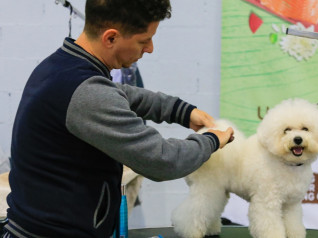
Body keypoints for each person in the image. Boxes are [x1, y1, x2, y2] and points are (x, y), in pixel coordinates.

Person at [4, 0, 234, 237]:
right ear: (111, 38)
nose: (150, 48)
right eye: (144, 41)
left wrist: (182, 111)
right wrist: (212, 140)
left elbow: (123, 95)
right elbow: (162, 160)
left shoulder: (61, 66)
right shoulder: (88, 93)